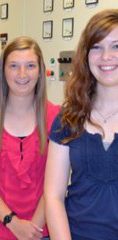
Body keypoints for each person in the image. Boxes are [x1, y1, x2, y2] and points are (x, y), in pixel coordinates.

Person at [0, 36, 60, 240]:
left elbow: (56, 183)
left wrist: (33, 228)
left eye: (30, 65)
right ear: (3, 71)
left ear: (40, 70)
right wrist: (14, 223)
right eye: (13, 66)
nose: (22, 74)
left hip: (43, 229)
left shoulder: (55, 117)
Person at [44, 9, 118, 240]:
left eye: (116, 46)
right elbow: (53, 195)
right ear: (85, 55)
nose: (106, 56)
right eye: (96, 47)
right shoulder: (68, 118)